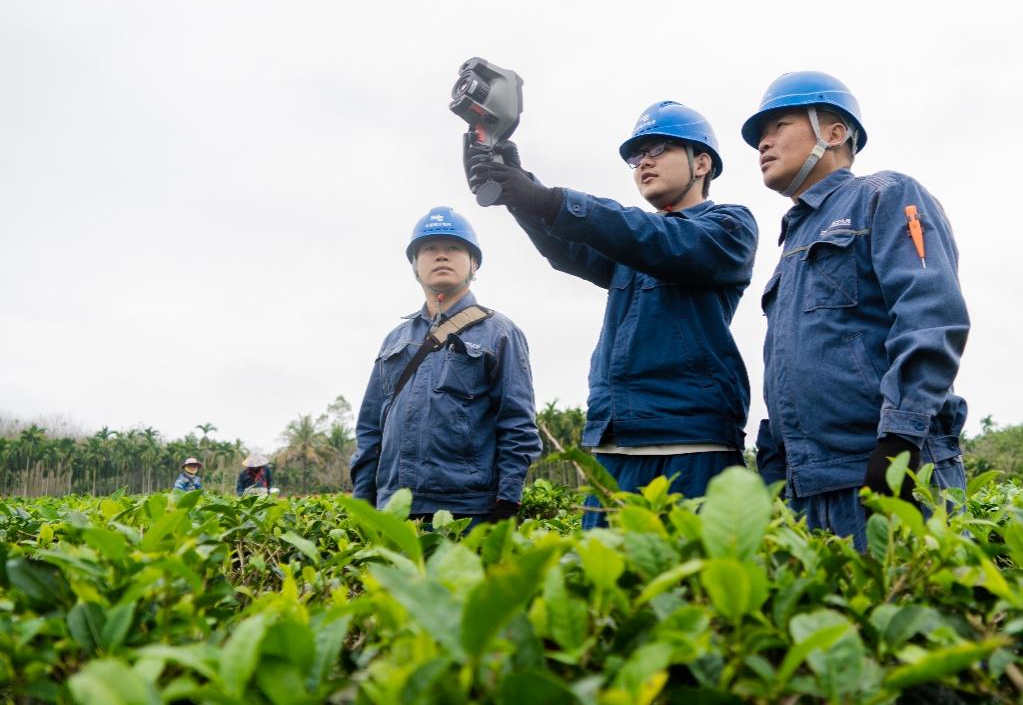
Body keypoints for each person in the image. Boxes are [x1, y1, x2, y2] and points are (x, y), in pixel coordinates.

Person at [468, 101, 758, 528]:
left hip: (692, 441)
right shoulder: (632, 244)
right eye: (636, 157)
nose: (643, 163)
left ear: (702, 163)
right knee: (605, 587)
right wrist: (519, 191)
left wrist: (545, 199)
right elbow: (567, 248)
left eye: (657, 149)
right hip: (615, 443)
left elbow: (657, 239)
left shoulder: (729, 226)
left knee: (694, 587)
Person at [744, 71, 970, 549]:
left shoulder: (884, 195)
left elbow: (931, 315)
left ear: (834, 132)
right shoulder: (794, 237)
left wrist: (900, 443)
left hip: (887, 471)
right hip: (808, 487)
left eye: (778, 125)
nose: (762, 142)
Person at [349, 206, 541, 524]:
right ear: (414, 265)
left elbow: (517, 425)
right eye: (429, 249)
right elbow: (370, 426)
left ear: (473, 263)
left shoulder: (500, 332)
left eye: (453, 247)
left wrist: (507, 502)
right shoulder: (395, 339)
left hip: (468, 510)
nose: (442, 256)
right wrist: (364, 501)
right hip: (394, 509)